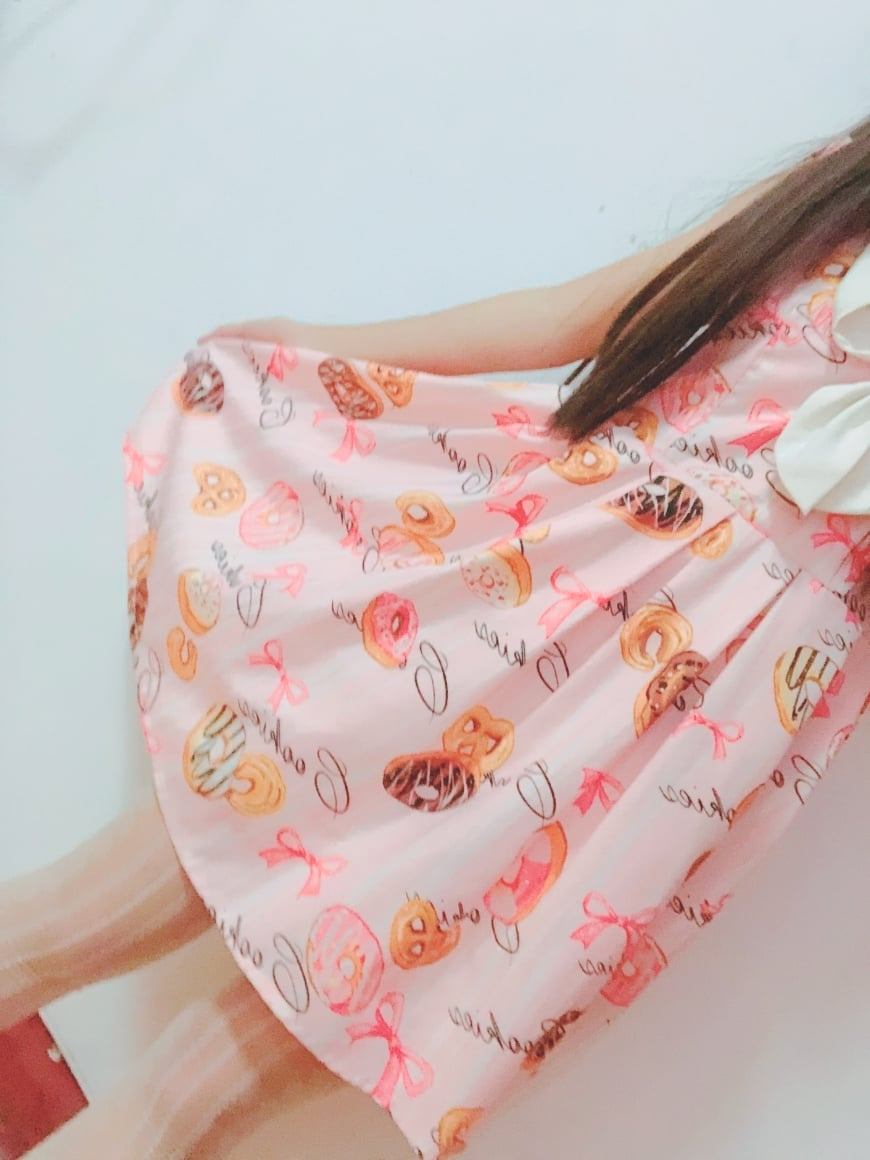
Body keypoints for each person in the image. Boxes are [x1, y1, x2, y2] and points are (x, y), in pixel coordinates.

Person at [3, 114, 868, 1160]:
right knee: (75, 918)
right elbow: (585, 314)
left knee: (206, 1090)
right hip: (515, 589)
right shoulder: (848, 195)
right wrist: (332, 352)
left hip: (665, 752)